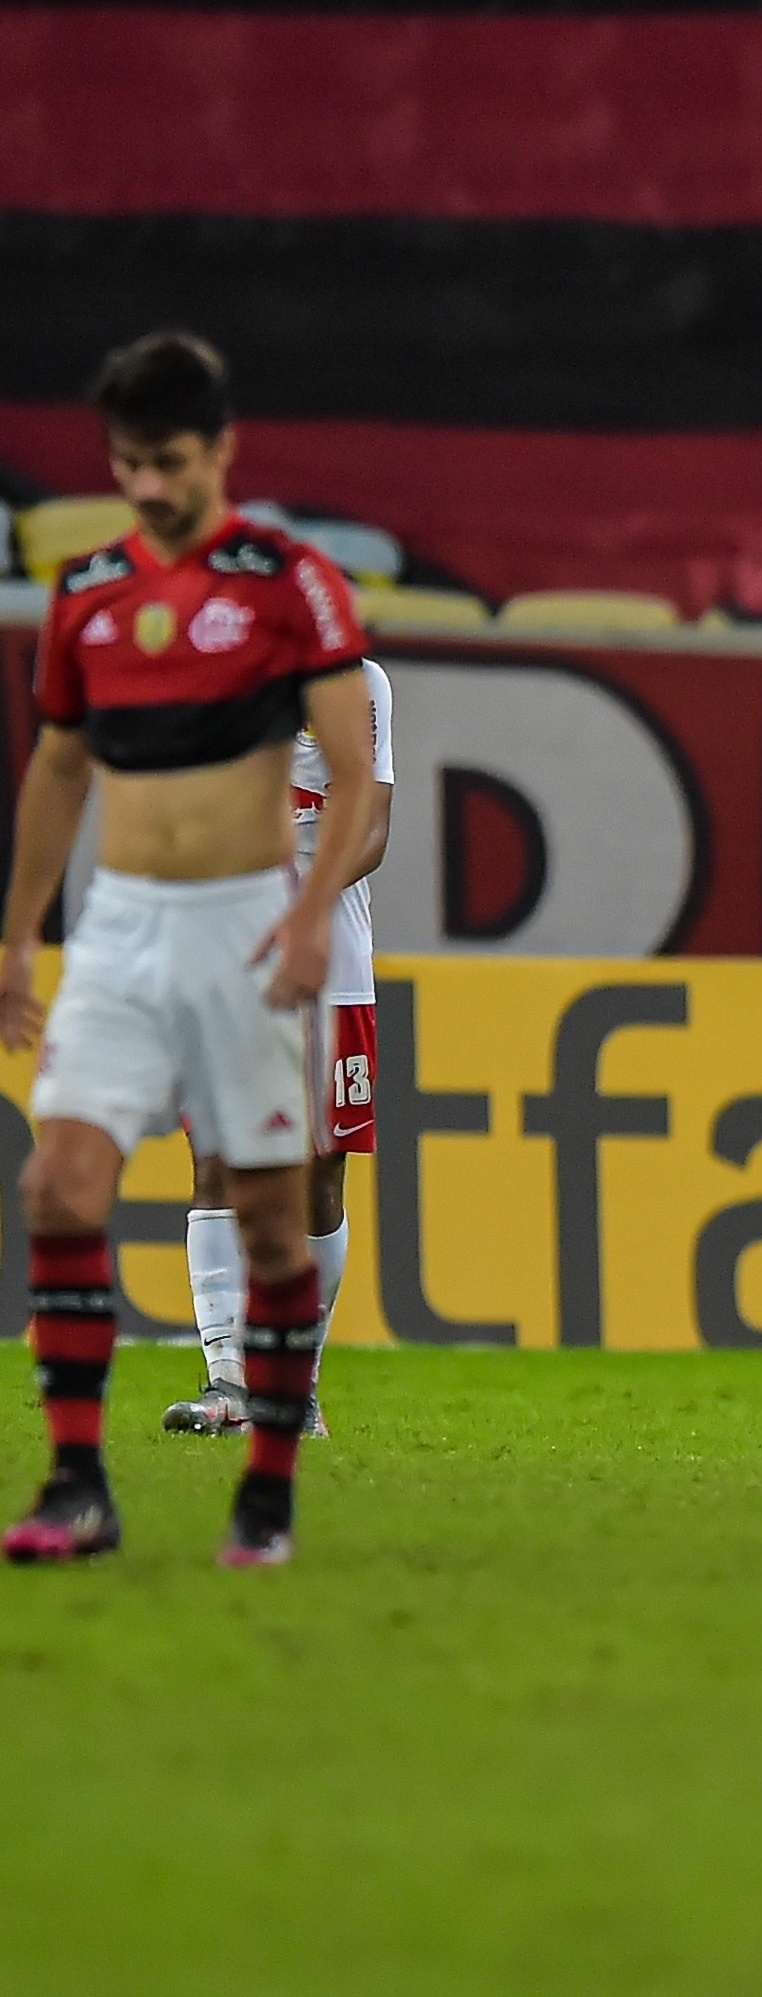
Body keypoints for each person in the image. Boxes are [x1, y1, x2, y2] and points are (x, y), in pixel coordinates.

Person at [0, 330, 376, 1564]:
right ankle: (76, 1484)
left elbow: (358, 775)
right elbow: (60, 766)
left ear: (220, 450)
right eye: (125, 464)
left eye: (166, 461)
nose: (147, 488)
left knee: (273, 1216)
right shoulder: (90, 591)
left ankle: (264, 1495)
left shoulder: (291, 586)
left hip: (240, 927)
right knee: (58, 1183)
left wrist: (313, 909)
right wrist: (18, 931)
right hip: (121, 927)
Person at [163, 658, 393, 1438]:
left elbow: (373, 829)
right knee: (218, 1157)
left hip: (333, 957)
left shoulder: (362, 684)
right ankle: (226, 1376)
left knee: (321, 1168)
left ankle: (299, 1386)